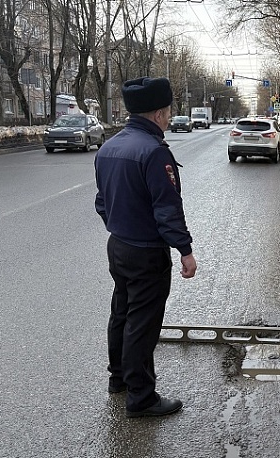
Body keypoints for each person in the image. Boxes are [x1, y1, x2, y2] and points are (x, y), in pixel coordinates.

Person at [94, 77, 197, 418]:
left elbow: (102, 202)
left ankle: (119, 380)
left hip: (118, 246)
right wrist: (185, 250)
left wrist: (121, 223)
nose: (169, 119)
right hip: (146, 253)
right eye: (168, 113)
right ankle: (141, 398)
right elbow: (167, 210)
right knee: (143, 323)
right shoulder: (154, 152)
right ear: (157, 114)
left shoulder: (109, 147)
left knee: (121, 314)